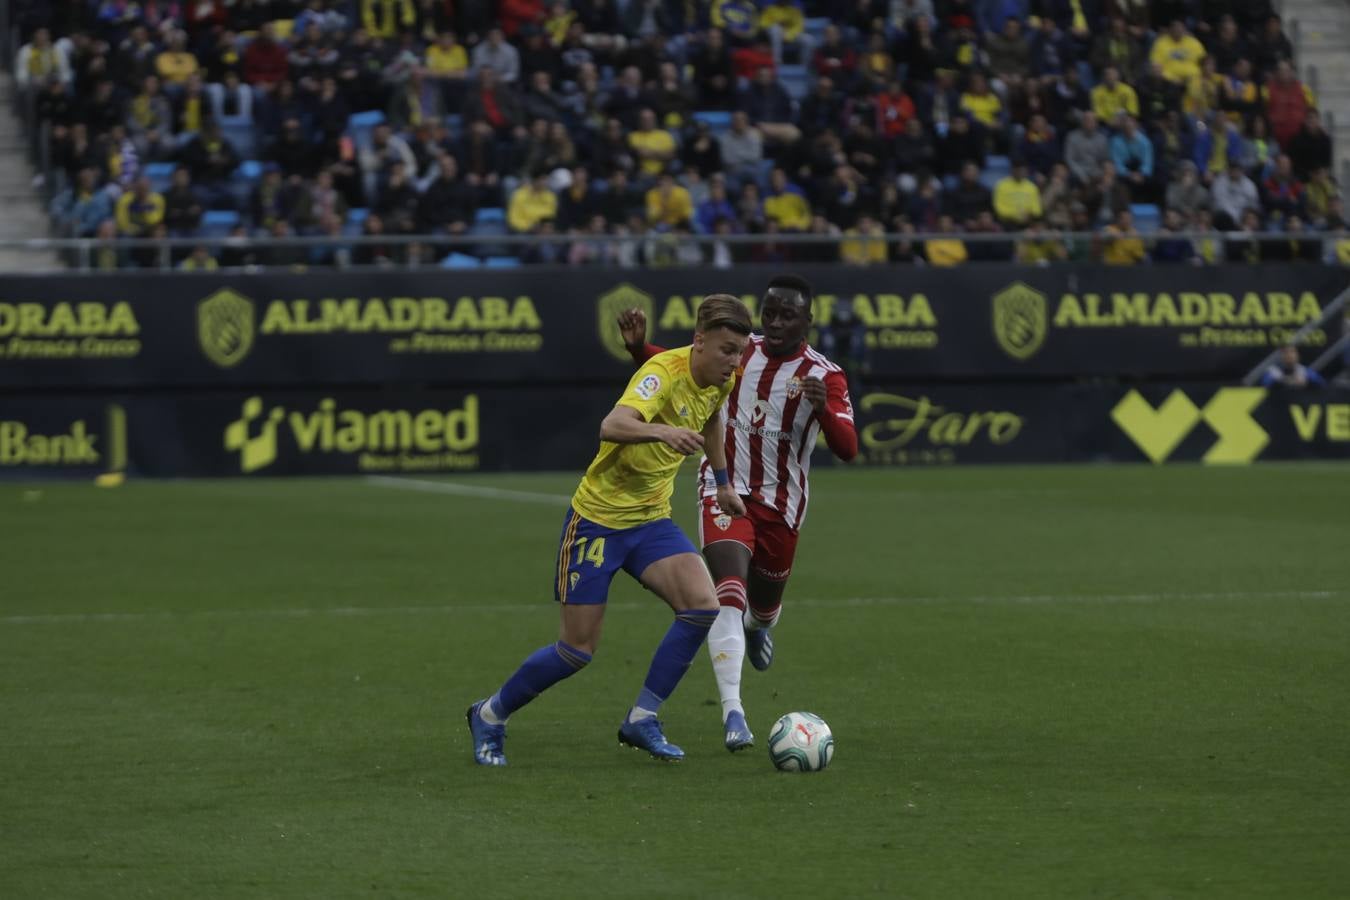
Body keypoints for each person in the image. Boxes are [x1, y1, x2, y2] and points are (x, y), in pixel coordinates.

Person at [466, 296, 754, 766]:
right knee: (577, 650)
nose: (733, 361)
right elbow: (612, 424)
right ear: (698, 341)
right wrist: (662, 432)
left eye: (739, 352)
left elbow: (713, 418)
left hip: (651, 519)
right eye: (726, 350)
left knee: (702, 606)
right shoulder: (661, 372)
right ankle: (490, 715)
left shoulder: (724, 380)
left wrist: (723, 484)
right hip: (598, 522)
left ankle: (642, 718)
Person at [617, 275, 858, 751]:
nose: (773, 323)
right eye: (768, 312)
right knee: (726, 592)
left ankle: (760, 626)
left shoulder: (824, 375)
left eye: (787, 315)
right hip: (723, 488)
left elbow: (848, 449)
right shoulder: (737, 350)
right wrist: (639, 349)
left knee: (762, 606)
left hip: (782, 507)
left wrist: (824, 411)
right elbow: (682, 371)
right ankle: (735, 715)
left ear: (807, 321)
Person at [1259, 344, 1326, 388]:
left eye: (1292, 352)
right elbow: (1265, 384)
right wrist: (1285, 381)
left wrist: (1306, 382)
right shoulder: (1273, 371)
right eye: (1286, 352)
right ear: (1281, 356)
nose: (1289, 355)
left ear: (1298, 355)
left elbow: (1321, 383)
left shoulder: (1304, 371)